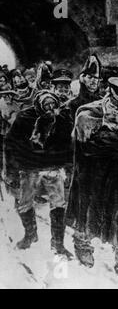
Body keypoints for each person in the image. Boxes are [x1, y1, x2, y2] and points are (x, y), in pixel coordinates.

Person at [66, 77, 118, 282]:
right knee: (87, 208)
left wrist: (107, 136)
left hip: (117, 173)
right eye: (117, 101)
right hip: (91, 172)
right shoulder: (88, 111)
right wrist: (112, 139)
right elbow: (87, 144)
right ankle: (83, 245)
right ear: (109, 94)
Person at [4, 90, 74, 258]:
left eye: (53, 104)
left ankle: (58, 243)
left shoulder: (63, 119)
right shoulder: (25, 117)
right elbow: (11, 144)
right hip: (29, 167)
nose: (50, 108)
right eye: (46, 105)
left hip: (52, 167)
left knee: (58, 204)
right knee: (25, 203)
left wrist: (70, 168)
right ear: (39, 105)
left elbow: (69, 145)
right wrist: (11, 171)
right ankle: (30, 234)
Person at [66, 54, 102, 119]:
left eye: (96, 78)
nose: (93, 81)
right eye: (90, 77)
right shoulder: (73, 104)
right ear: (83, 79)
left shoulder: (102, 102)